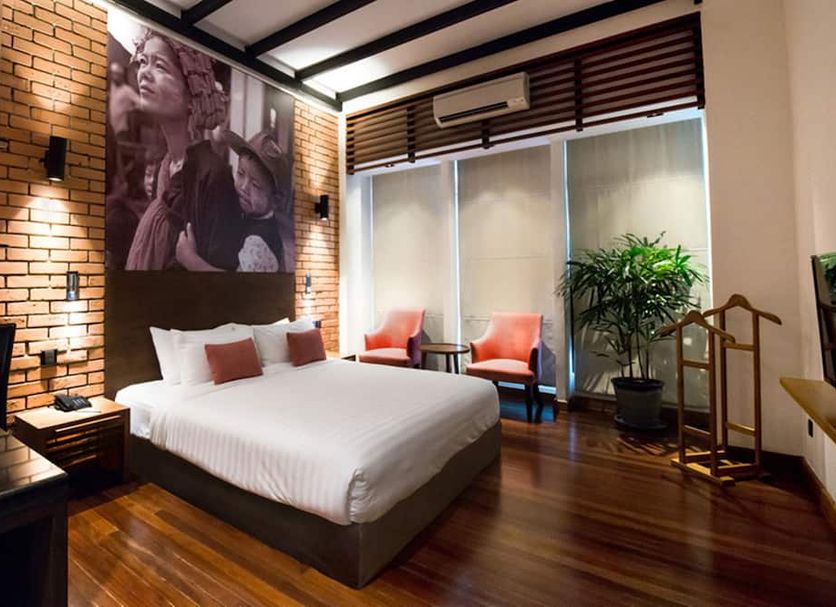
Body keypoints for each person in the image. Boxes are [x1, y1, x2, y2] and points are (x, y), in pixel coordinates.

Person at [125, 29, 242, 271]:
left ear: (191, 95)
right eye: (143, 61)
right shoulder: (165, 165)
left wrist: (192, 261)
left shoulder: (213, 175)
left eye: (160, 66)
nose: (144, 72)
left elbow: (229, 283)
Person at [175, 129, 293, 273]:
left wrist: (189, 259)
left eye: (255, 185)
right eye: (240, 174)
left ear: (275, 200)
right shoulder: (247, 216)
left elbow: (233, 284)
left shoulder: (259, 243)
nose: (244, 187)